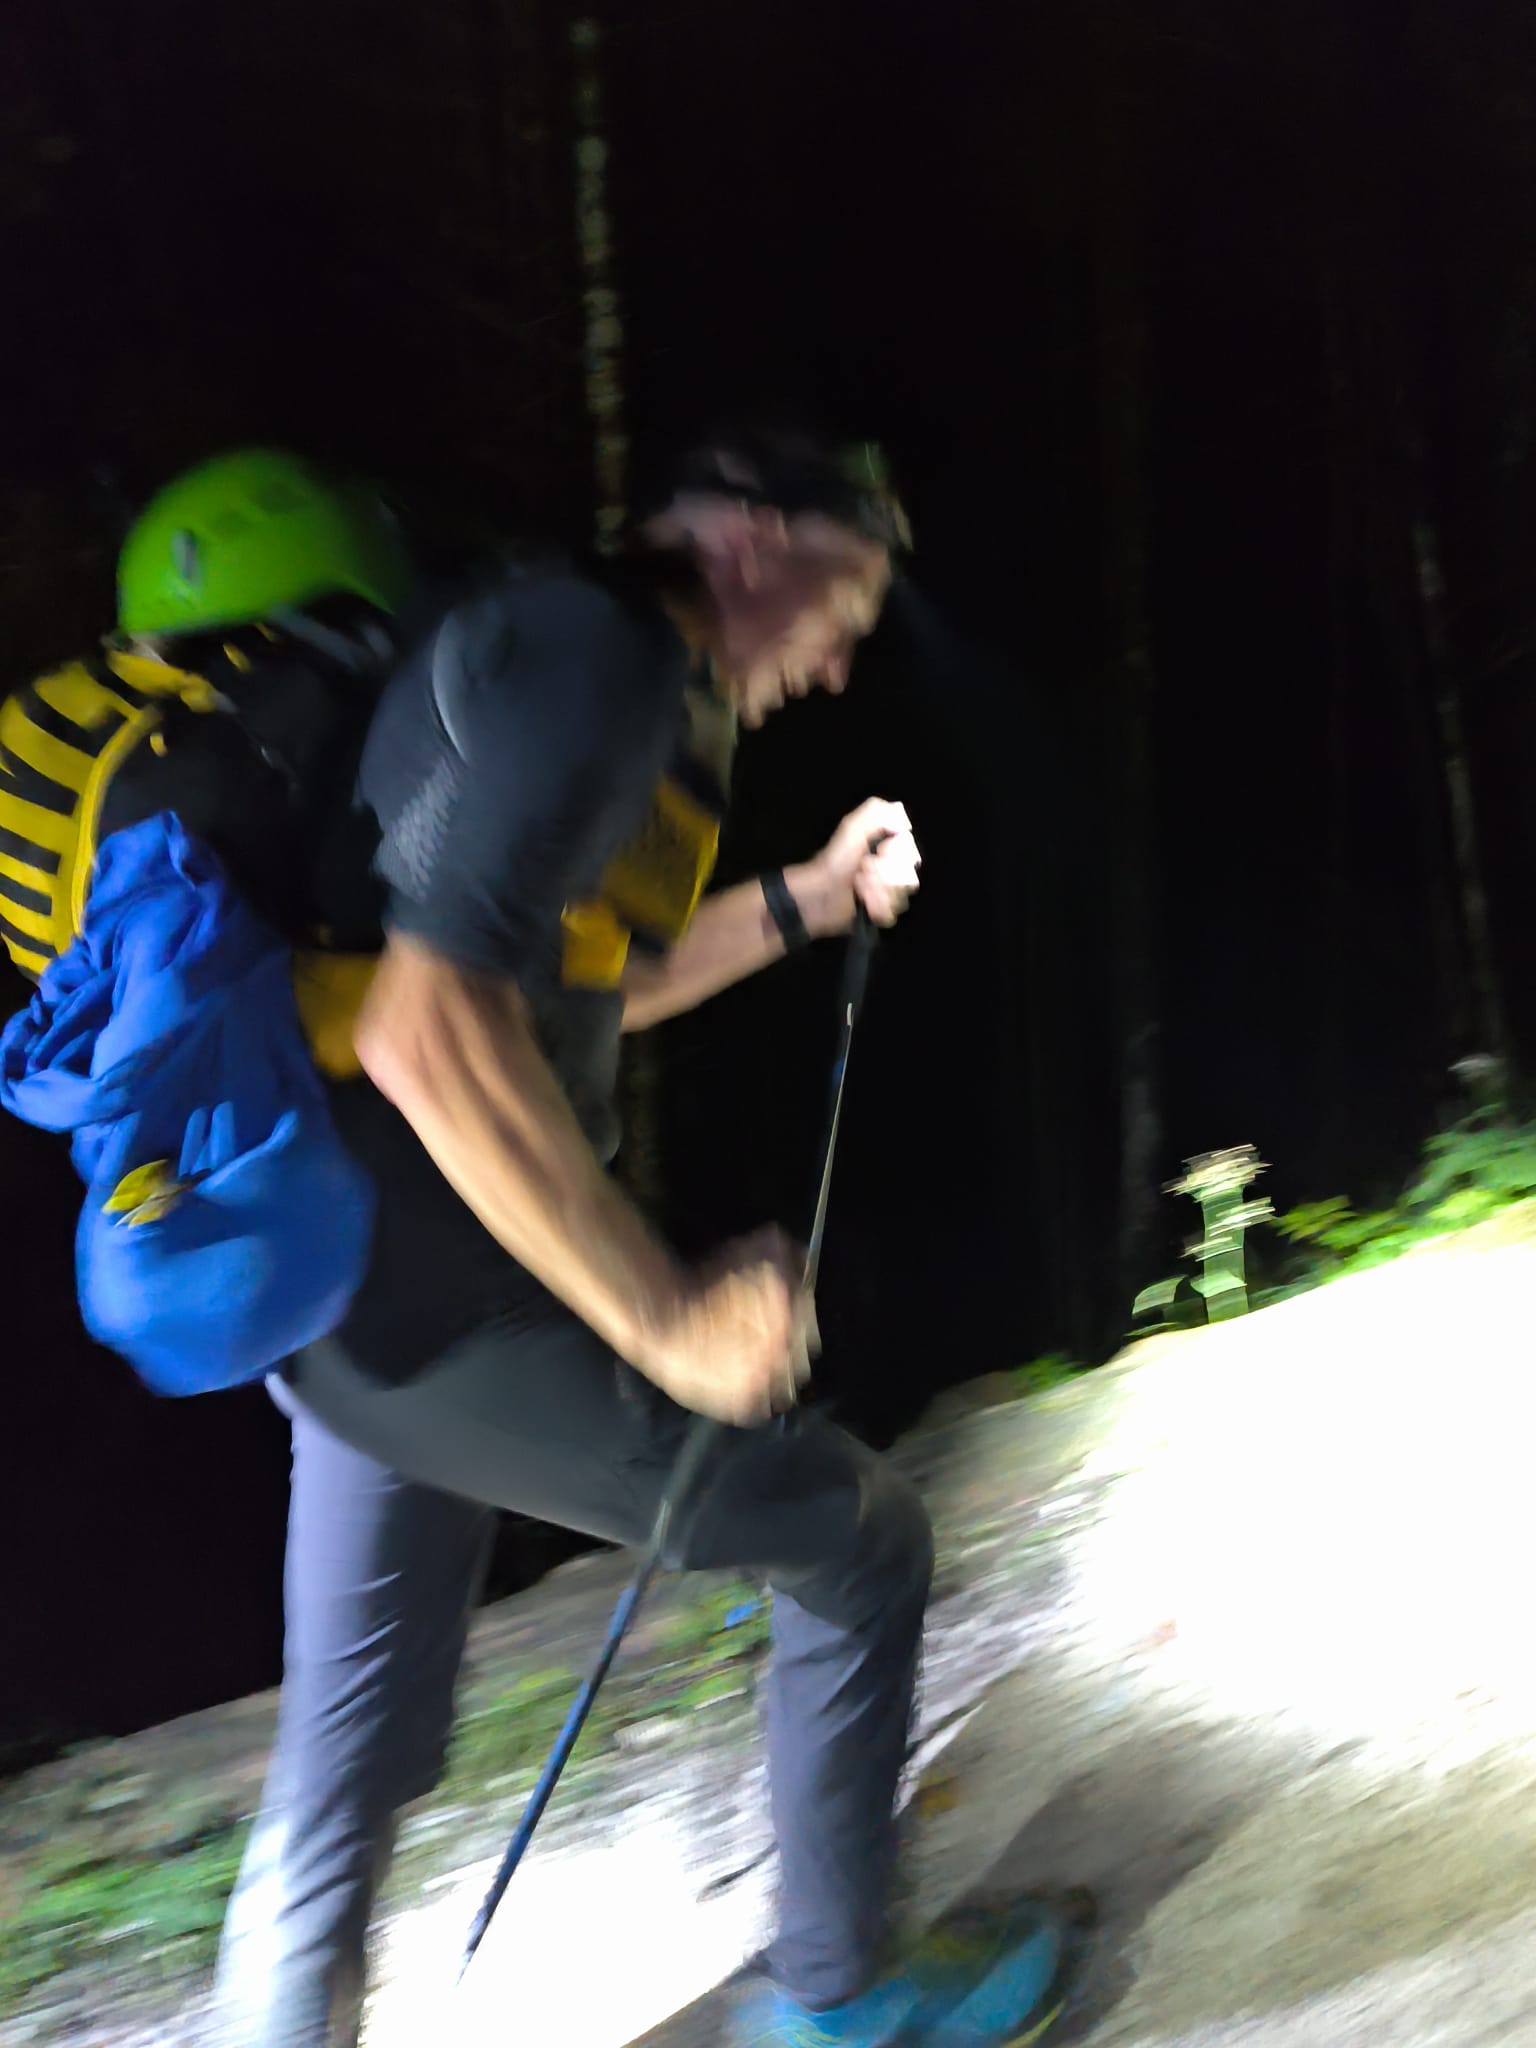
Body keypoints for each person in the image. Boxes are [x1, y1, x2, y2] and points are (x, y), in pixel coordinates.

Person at [202, 427, 1081, 2048]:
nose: (841, 658)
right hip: (446, 1305)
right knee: (858, 1540)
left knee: (345, 1762)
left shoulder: (570, 657)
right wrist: (667, 1314)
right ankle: (837, 2004)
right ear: (751, 533)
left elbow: (578, 987)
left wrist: (810, 896)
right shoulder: (598, 651)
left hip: (335, 1294)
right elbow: (427, 1032)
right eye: (849, 594)